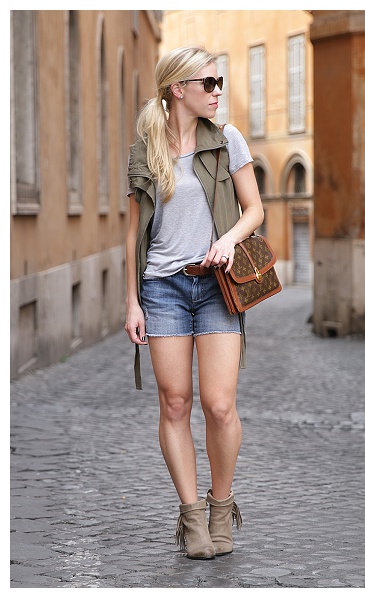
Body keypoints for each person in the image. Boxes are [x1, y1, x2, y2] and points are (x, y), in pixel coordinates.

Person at [125, 46, 263, 559]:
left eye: (219, 82)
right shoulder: (146, 150)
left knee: (219, 404)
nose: (218, 91)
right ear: (177, 89)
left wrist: (228, 239)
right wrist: (131, 301)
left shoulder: (227, 140)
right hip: (162, 287)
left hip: (216, 286)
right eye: (209, 83)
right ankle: (192, 519)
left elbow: (255, 209)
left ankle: (221, 506)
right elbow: (134, 234)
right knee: (176, 402)